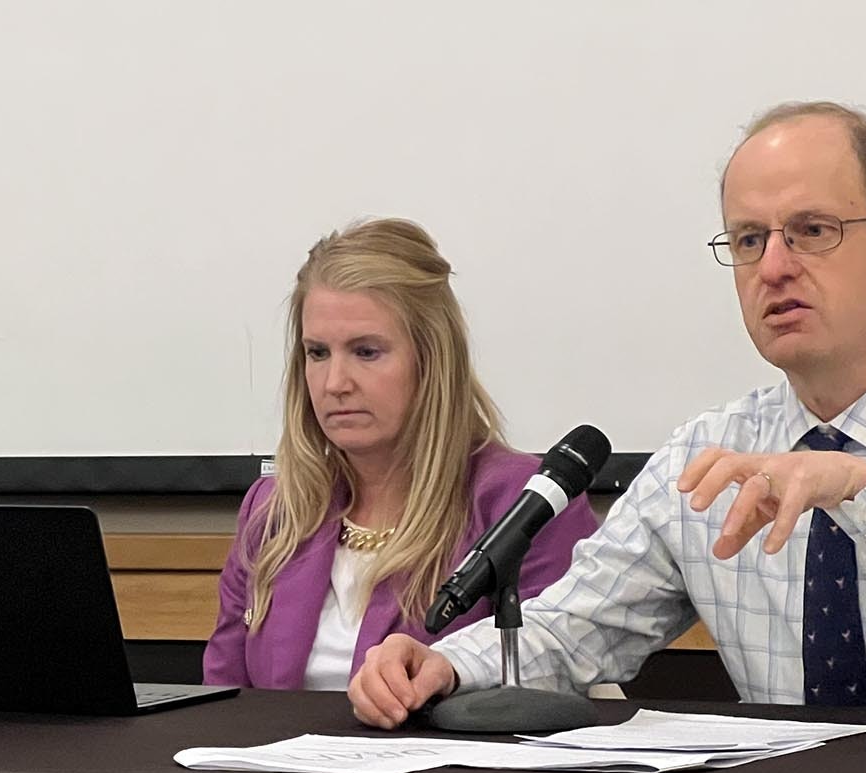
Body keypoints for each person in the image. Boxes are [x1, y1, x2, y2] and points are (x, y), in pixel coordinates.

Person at [350, 101, 866, 726]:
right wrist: (448, 664)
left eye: (811, 230)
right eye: (749, 240)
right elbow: (572, 631)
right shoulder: (711, 455)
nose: (773, 268)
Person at [204, 218, 597, 689]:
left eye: (366, 352)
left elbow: (553, 676)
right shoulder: (272, 511)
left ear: (432, 361)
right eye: (317, 353)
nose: (335, 384)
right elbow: (223, 704)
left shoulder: (524, 504)